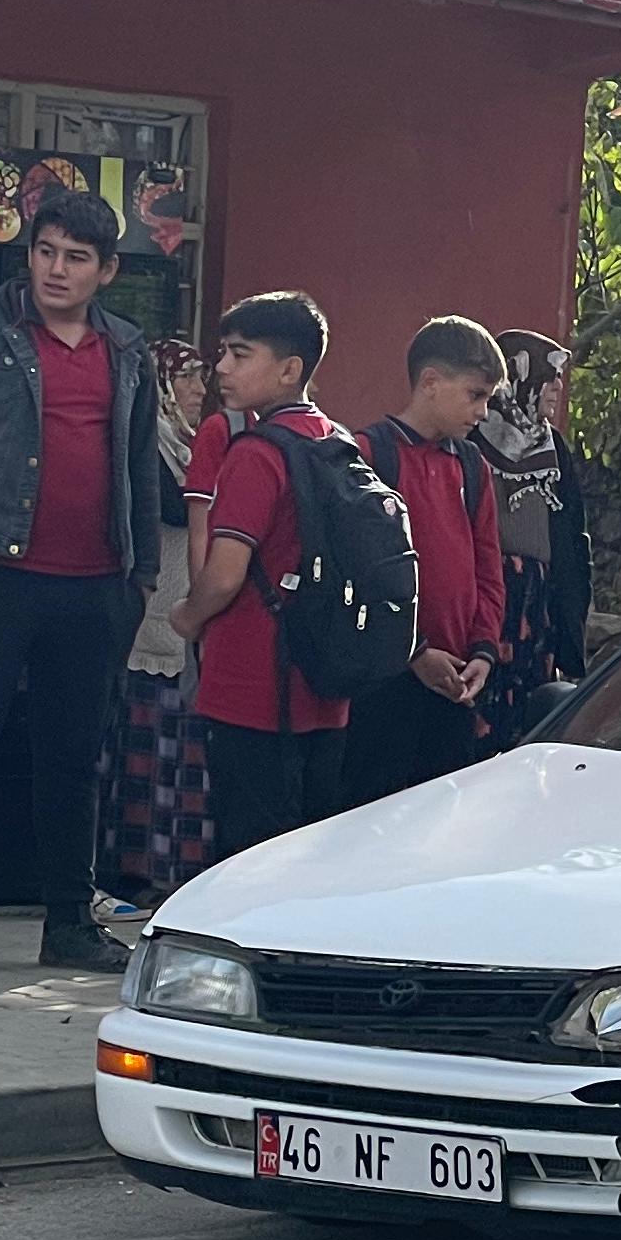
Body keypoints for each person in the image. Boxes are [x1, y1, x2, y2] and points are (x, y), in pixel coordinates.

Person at [0, 188, 157, 982]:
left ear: (106, 271)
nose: (56, 269)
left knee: (74, 762)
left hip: (93, 586)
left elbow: (140, 465)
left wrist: (140, 574)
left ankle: (69, 923)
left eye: (76, 258)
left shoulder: (126, 348)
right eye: (46, 252)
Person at [170, 292, 360, 856]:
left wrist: (187, 617)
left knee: (248, 857)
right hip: (326, 677)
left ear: (289, 370)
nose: (222, 368)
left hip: (253, 683)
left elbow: (225, 573)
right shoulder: (338, 442)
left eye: (239, 354)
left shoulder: (257, 452)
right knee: (308, 855)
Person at [341, 315, 511, 808]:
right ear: (431, 382)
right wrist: (414, 653)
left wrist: (483, 651)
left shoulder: (474, 467)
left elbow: (488, 569)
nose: (482, 412)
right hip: (383, 683)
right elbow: (356, 574)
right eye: (475, 394)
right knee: (368, 820)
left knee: (442, 825)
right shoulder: (367, 454)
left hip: (456, 681)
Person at [100, 334, 213, 908]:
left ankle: (176, 865)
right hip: (149, 619)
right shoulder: (149, 448)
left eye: (201, 377)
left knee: (181, 748)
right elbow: (171, 506)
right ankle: (133, 871)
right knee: (142, 748)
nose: (199, 389)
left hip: (184, 619)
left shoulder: (194, 446)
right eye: (187, 377)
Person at [478, 328, 593, 734]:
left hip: (538, 603)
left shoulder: (554, 448)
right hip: (490, 597)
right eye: (549, 376)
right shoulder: (475, 438)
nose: (558, 387)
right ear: (519, 376)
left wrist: (572, 634)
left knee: (531, 714)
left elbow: (571, 541)